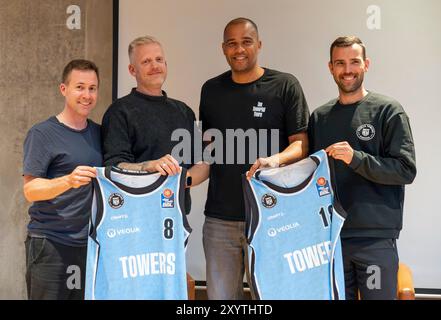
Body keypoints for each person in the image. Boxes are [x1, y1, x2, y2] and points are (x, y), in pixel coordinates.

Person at [199, 17, 310, 299]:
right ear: (223, 48)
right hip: (220, 220)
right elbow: (207, 152)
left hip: (271, 215)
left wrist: (275, 160)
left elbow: (300, 145)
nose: (239, 49)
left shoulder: (285, 85)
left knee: (273, 296)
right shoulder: (210, 90)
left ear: (258, 45)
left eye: (246, 42)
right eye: (232, 43)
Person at [308, 36, 416, 300]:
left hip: (375, 240)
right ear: (331, 67)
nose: (348, 70)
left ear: (366, 64)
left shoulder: (387, 110)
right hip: (331, 239)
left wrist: (355, 158)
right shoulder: (320, 117)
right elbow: (311, 174)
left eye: (354, 62)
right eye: (340, 63)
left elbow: (405, 169)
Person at [22, 59, 102, 300]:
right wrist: (68, 180)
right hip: (51, 245)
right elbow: (30, 190)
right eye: (80, 87)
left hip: (89, 246)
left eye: (92, 88)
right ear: (63, 89)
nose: (86, 95)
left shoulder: (101, 133)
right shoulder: (42, 133)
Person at [101, 36, 208, 211]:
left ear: (166, 65)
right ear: (132, 69)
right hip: (135, 216)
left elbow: (203, 162)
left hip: (176, 216)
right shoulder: (119, 112)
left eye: (159, 60)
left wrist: (180, 182)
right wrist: (148, 166)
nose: (155, 66)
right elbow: (113, 166)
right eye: (146, 61)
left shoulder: (184, 111)